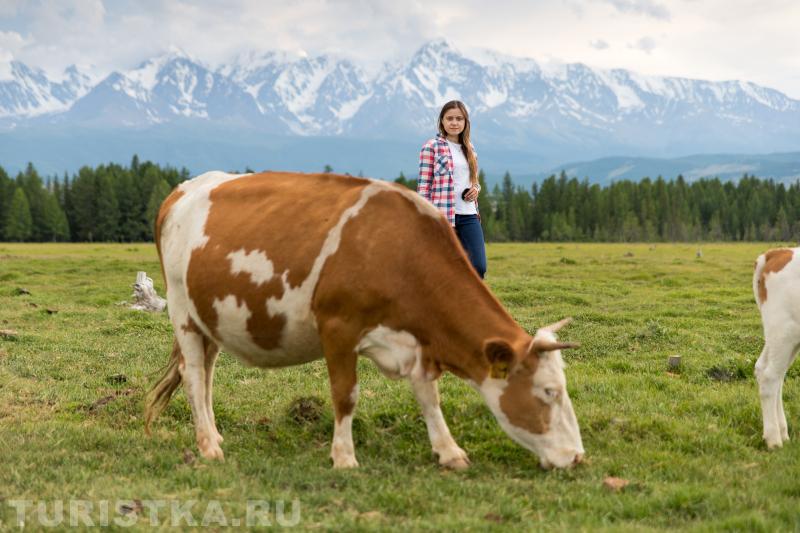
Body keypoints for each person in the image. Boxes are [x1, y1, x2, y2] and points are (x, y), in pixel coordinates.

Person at [417, 100, 487, 279]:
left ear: (465, 122)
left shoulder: (470, 148)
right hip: (442, 216)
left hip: (469, 215)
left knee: (479, 266)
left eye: (459, 119)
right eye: (449, 118)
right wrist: (425, 218)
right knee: (443, 267)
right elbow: (424, 186)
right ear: (442, 121)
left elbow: (474, 180)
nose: (454, 123)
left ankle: (466, 294)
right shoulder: (431, 147)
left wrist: (476, 189)